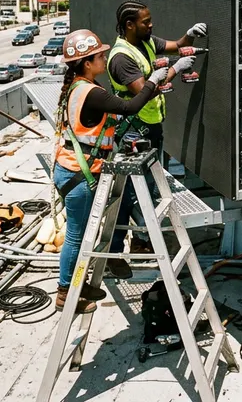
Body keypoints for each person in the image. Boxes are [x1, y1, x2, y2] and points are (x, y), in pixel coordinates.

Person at [53, 28, 169, 313]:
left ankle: (78, 286)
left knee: (83, 232)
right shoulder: (91, 92)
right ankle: (66, 293)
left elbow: (100, 119)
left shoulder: (78, 87)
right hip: (79, 174)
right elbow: (131, 107)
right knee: (76, 236)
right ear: (87, 63)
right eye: (100, 56)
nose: (105, 59)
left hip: (72, 169)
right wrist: (153, 82)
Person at [106, 0, 207, 252]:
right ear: (130, 25)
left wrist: (189, 35)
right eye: (146, 22)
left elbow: (178, 46)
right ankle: (122, 244)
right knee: (131, 189)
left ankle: (142, 238)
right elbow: (144, 92)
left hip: (150, 125)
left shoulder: (146, 42)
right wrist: (175, 69)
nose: (151, 25)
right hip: (133, 128)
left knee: (148, 186)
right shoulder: (121, 58)